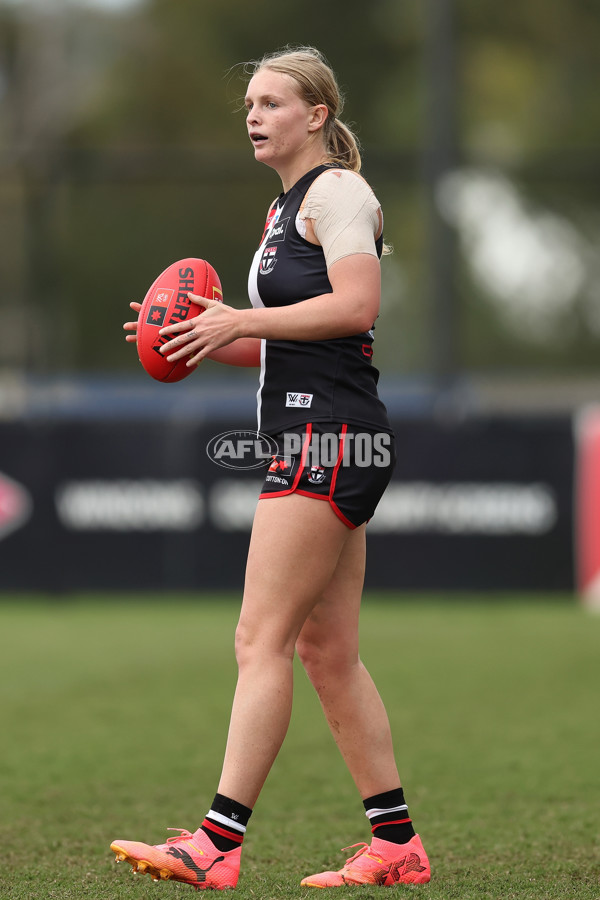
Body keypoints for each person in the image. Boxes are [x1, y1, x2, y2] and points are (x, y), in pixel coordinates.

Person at [110, 45, 430, 890]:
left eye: (272, 102)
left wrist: (239, 318)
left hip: (328, 437)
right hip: (315, 429)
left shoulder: (338, 194)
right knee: (327, 650)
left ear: (317, 116)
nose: (253, 114)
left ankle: (216, 842)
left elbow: (358, 308)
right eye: (248, 103)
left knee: (262, 639)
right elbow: (276, 346)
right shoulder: (283, 212)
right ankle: (395, 843)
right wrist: (193, 333)